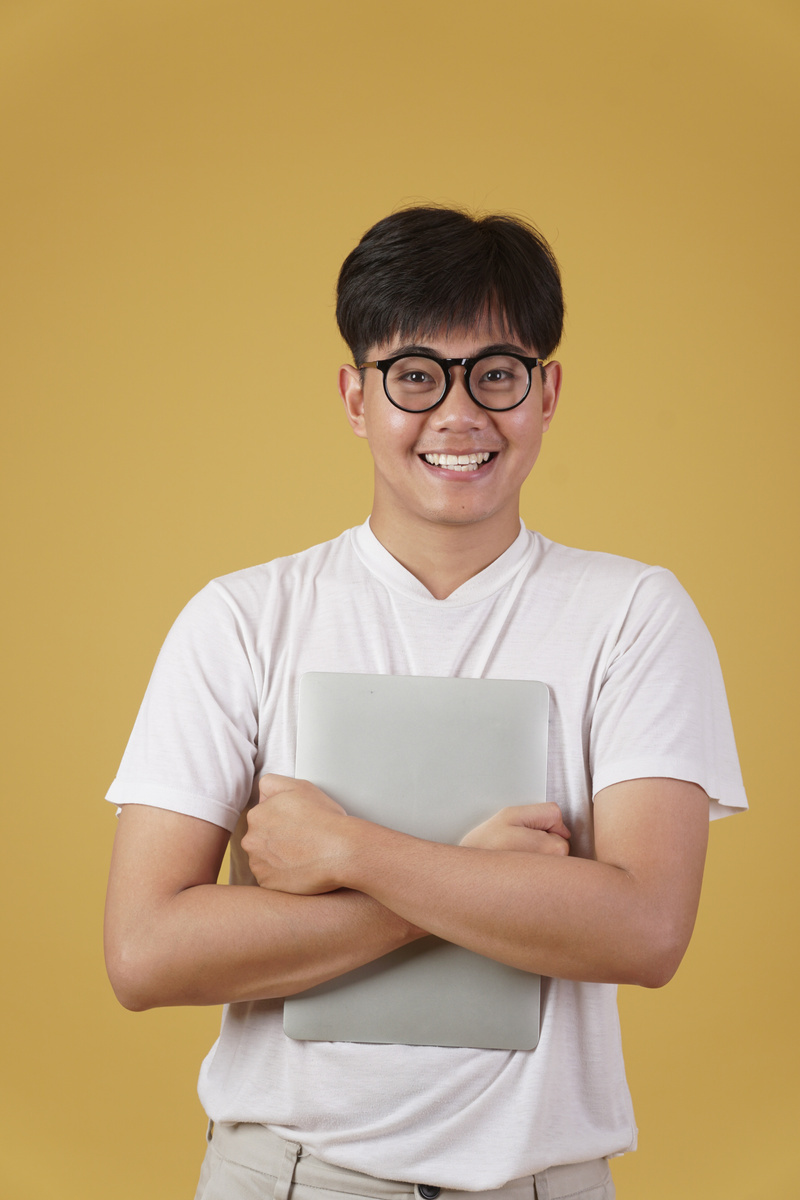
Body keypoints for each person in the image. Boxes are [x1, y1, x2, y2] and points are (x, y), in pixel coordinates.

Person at [104, 206, 747, 1200]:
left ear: (546, 393)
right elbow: (146, 955)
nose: (457, 415)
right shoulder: (240, 619)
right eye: (414, 375)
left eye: (495, 373)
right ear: (355, 399)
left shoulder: (631, 615)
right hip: (283, 1176)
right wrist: (475, 882)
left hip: (540, 1181)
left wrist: (349, 855)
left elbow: (645, 930)